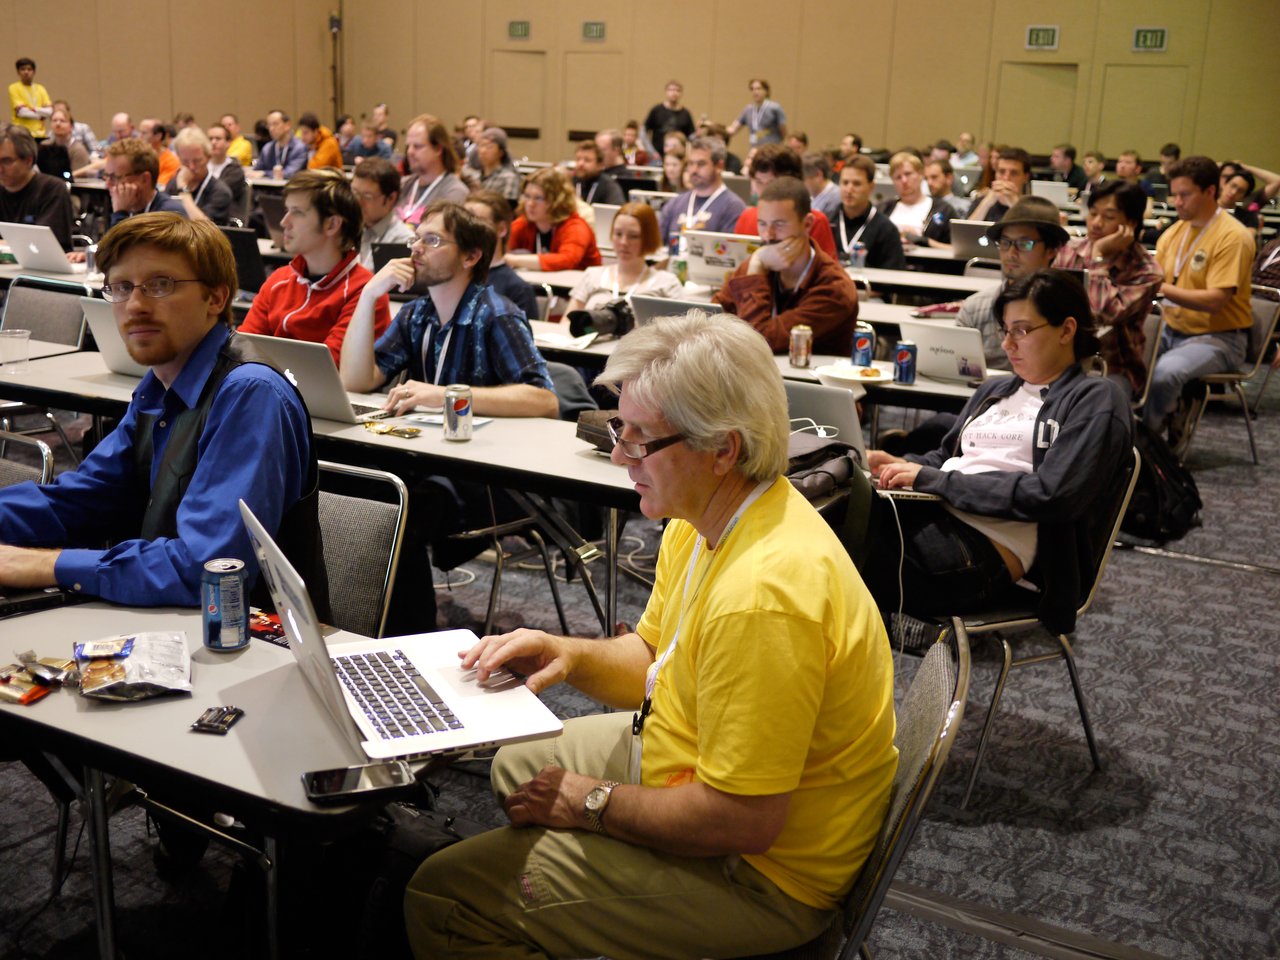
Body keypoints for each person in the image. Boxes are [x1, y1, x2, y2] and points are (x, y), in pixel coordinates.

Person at [403, 307, 897, 959]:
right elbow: (653, 660)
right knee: (518, 767)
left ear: (724, 448)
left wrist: (591, 804)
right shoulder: (706, 515)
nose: (617, 455)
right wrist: (567, 652)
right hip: (703, 772)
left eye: (639, 440)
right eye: (618, 429)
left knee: (444, 897)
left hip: (765, 877)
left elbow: (741, 819)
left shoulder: (766, 595)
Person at [0, 213, 323, 608]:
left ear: (216, 298)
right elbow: (84, 498)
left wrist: (43, 565)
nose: (134, 305)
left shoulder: (250, 393)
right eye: (120, 287)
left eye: (160, 285)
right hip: (170, 627)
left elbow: (211, 570)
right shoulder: (159, 384)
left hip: (250, 647)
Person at [864, 269, 1132, 634]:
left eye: (1021, 330)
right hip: (931, 519)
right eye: (1005, 331)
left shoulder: (1094, 398)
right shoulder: (996, 390)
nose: (1007, 345)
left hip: (983, 552)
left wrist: (935, 480)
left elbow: (1053, 495)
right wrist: (900, 465)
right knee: (829, 514)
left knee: (832, 546)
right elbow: (945, 458)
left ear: (1067, 330)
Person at [341, 201, 558, 632]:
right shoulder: (418, 314)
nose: (417, 248)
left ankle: (406, 637)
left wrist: (441, 395)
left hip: (488, 478)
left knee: (399, 511)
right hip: (429, 463)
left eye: (433, 240)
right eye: (416, 238)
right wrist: (367, 295)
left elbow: (544, 399)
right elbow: (357, 378)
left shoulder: (496, 314)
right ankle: (367, 624)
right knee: (356, 487)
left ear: (471, 256)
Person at [1145, 155, 1256, 438]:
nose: (1176, 202)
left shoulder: (1233, 237)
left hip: (1220, 338)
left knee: (1165, 374)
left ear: (1209, 191)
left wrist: (1157, 286)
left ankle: (1151, 443)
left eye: (1184, 195)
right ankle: (1163, 414)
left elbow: (1215, 300)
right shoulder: (1174, 233)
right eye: (1174, 195)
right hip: (1171, 329)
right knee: (1123, 358)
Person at [239, 168, 391, 366]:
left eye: (297, 212)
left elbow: (329, 370)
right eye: (287, 210)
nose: (284, 222)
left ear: (332, 225)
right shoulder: (278, 280)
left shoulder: (365, 292)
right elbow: (243, 350)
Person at [714, 176, 859, 355]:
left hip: (806, 382)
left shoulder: (834, 287)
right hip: (754, 377)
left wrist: (757, 267)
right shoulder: (758, 262)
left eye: (779, 224)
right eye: (762, 224)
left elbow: (759, 342)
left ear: (807, 224)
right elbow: (713, 317)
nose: (768, 235)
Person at [1052, 179, 1164, 398]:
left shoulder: (1146, 271)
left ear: (1130, 224)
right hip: (1060, 358)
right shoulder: (1069, 251)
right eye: (1093, 213)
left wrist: (1098, 257)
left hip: (1112, 368)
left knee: (1091, 402)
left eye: (1109, 217)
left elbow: (1103, 313)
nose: (1095, 223)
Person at [958, 196, 1068, 368]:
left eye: (1024, 244)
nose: (1011, 253)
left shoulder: (1068, 310)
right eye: (1005, 242)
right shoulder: (974, 309)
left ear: (1052, 250)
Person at [565, 202, 684, 312]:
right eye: (618, 234)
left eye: (633, 236)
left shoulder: (667, 284)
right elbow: (567, 323)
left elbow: (682, 332)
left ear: (649, 238)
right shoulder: (592, 276)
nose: (623, 242)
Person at [734, 144, 837, 257]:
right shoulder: (747, 217)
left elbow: (825, 271)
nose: (764, 190)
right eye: (758, 182)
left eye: (772, 183)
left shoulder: (815, 222)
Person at [505, 167, 602, 272]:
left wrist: (513, 260)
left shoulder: (576, 227)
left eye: (538, 198)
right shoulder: (523, 224)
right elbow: (500, 250)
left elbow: (567, 260)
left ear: (556, 200)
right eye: (527, 196)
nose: (530, 204)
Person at [656, 136, 747, 245]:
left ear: (719, 166)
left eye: (701, 164)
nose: (694, 170)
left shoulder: (733, 207)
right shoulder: (675, 203)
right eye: (690, 163)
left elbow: (728, 256)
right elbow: (658, 245)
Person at [465, 190, 540, 321]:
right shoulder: (452, 279)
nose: (467, 229)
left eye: (478, 222)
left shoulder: (518, 289)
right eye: (464, 222)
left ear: (501, 229)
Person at [0, 125, 75, 252]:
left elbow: (40, 245)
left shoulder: (52, 190)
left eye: (6, 161)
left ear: (28, 161)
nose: (0, 169)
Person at [827, 153, 904, 270]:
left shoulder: (886, 230)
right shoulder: (827, 221)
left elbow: (894, 278)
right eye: (845, 183)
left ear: (871, 187)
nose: (849, 189)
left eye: (856, 184)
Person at [396, 114, 469, 227]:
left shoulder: (455, 192)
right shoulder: (402, 185)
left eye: (417, 146)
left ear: (438, 149)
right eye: (408, 146)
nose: (410, 152)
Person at [103, 139, 188, 227]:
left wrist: (120, 215)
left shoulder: (170, 215)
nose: (107, 184)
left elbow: (125, 241)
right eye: (106, 176)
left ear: (144, 179)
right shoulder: (120, 205)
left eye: (115, 177)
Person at [352, 156, 416, 269]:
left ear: (391, 198)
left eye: (367, 196)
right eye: (355, 193)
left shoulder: (402, 242)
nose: (358, 202)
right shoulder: (346, 228)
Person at [880, 152, 953, 249]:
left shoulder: (944, 209)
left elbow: (958, 250)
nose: (904, 180)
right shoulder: (883, 209)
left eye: (908, 174)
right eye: (898, 177)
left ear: (921, 175)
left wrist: (925, 241)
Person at [166, 127, 235, 225]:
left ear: (208, 157)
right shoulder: (173, 184)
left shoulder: (220, 192)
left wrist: (183, 190)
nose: (192, 167)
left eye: (197, 161)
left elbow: (205, 230)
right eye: (185, 161)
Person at [967, 146, 1031, 222]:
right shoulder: (981, 202)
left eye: (1014, 173)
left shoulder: (1033, 206)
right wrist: (986, 203)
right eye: (1001, 171)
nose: (1006, 178)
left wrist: (1015, 205)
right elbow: (965, 232)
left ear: (1025, 177)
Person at [725, 78, 787, 147]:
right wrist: (715, 128)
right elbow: (732, 130)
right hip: (755, 148)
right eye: (753, 89)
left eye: (758, 89)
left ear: (766, 91)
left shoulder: (775, 108)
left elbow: (783, 131)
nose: (755, 92)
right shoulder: (748, 110)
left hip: (772, 149)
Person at [249, 110, 307, 180]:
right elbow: (256, 171)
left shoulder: (299, 148)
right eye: (269, 125)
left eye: (275, 124)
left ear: (287, 125)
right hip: (268, 189)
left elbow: (290, 173)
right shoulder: (267, 148)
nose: (271, 129)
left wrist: (264, 173)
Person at [205, 122, 248, 214]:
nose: (213, 142)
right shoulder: (200, 165)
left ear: (228, 143)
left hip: (222, 216)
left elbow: (218, 195)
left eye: (218, 139)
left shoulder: (235, 171)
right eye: (210, 139)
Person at [643, 80, 695, 153]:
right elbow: (644, 131)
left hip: (678, 155)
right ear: (666, 92)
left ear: (681, 94)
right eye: (671, 90)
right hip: (657, 155)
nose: (674, 93)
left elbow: (691, 136)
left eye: (677, 90)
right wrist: (650, 151)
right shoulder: (656, 110)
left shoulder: (686, 113)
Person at [474, 126, 520, 202]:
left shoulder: (509, 178)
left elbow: (507, 209)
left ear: (501, 152)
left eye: (489, 147)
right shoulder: (474, 176)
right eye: (481, 145)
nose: (483, 151)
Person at [572, 140, 626, 206]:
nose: (580, 164)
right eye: (578, 159)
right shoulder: (570, 183)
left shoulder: (608, 185)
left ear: (600, 165)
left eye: (587, 160)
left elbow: (616, 210)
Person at [8, 58, 50, 138]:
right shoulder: (13, 88)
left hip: (40, 134)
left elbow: (49, 111)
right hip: (21, 134)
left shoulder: (41, 88)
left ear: (34, 72)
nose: (26, 72)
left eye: (29, 69)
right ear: (18, 72)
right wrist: (41, 114)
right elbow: (22, 112)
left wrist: (31, 109)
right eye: (22, 69)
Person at [45, 108, 92, 177]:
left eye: (62, 121)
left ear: (71, 126)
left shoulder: (78, 150)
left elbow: (78, 179)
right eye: (54, 120)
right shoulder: (45, 146)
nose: (58, 124)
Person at [139, 118, 180, 189]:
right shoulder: (136, 157)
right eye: (140, 132)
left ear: (158, 136)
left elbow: (159, 187)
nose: (140, 137)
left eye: (144, 133)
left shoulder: (171, 161)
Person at [802, 152, 841, 219]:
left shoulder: (835, 199)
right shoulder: (813, 194)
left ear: (819, 175)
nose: (802, 183)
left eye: (804, 178)